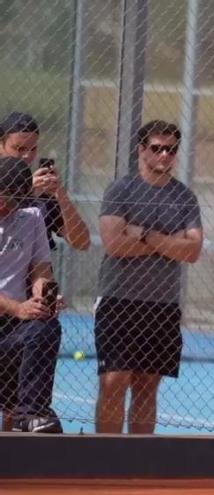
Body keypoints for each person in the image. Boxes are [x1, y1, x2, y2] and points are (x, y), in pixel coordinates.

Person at [94, 120, 203, 434]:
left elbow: (193, 251)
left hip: (162, 304)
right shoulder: (121, 190)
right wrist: (170, 243)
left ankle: (136, 463)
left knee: (147, 385)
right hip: (119, 300)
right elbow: (114, 243)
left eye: (170, 150)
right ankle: (104, 459)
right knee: (115, 381)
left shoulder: (184, 198)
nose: (164, 155)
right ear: (142, 150)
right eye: (157, 148)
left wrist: (143, 234)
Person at [0, 157, 64, 433]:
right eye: (4, 198)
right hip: (12, 311)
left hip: (13, 326)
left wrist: (42, 293)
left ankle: (31, 414)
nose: (8, 206)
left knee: (45, 326)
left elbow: (41, 268)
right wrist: (17, 308)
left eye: (15, 201)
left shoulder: (32, 216)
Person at [0, 112, 91, 252]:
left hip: (38, 269)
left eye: (33, 149)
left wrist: (60, 194)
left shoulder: (42, 188)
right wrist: (29, 193)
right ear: (1, 145)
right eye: (19, 148)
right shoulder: (33, 187)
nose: (27, 155)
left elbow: (82, 242)